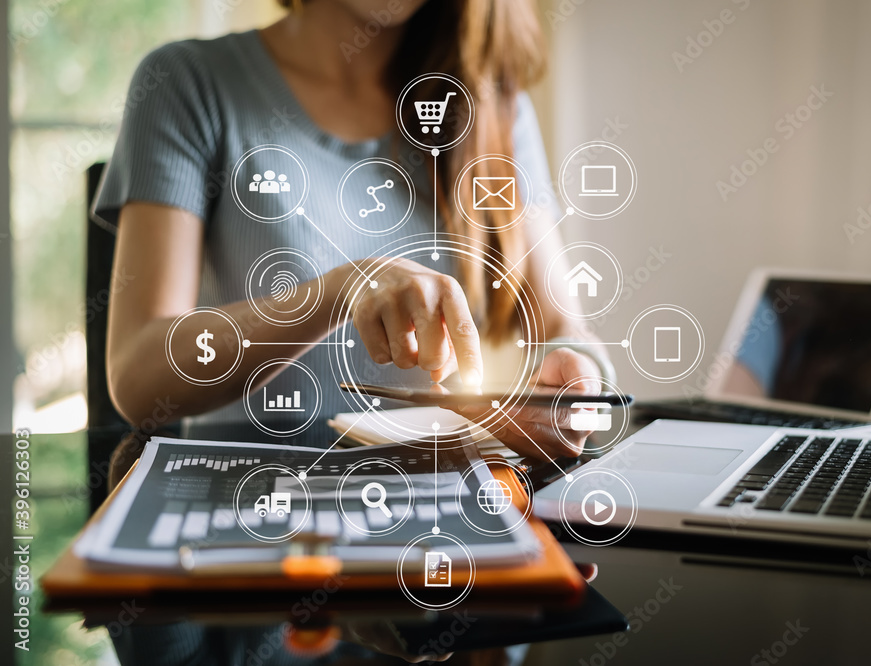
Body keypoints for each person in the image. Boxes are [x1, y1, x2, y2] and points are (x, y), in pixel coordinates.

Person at [96, 0, 612, 458]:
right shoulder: (186, 83)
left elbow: (564, 331)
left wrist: (580, 384)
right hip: (244, 496)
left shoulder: (492, 105)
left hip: (432, 504)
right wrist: (339, 292)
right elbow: (139, 377)